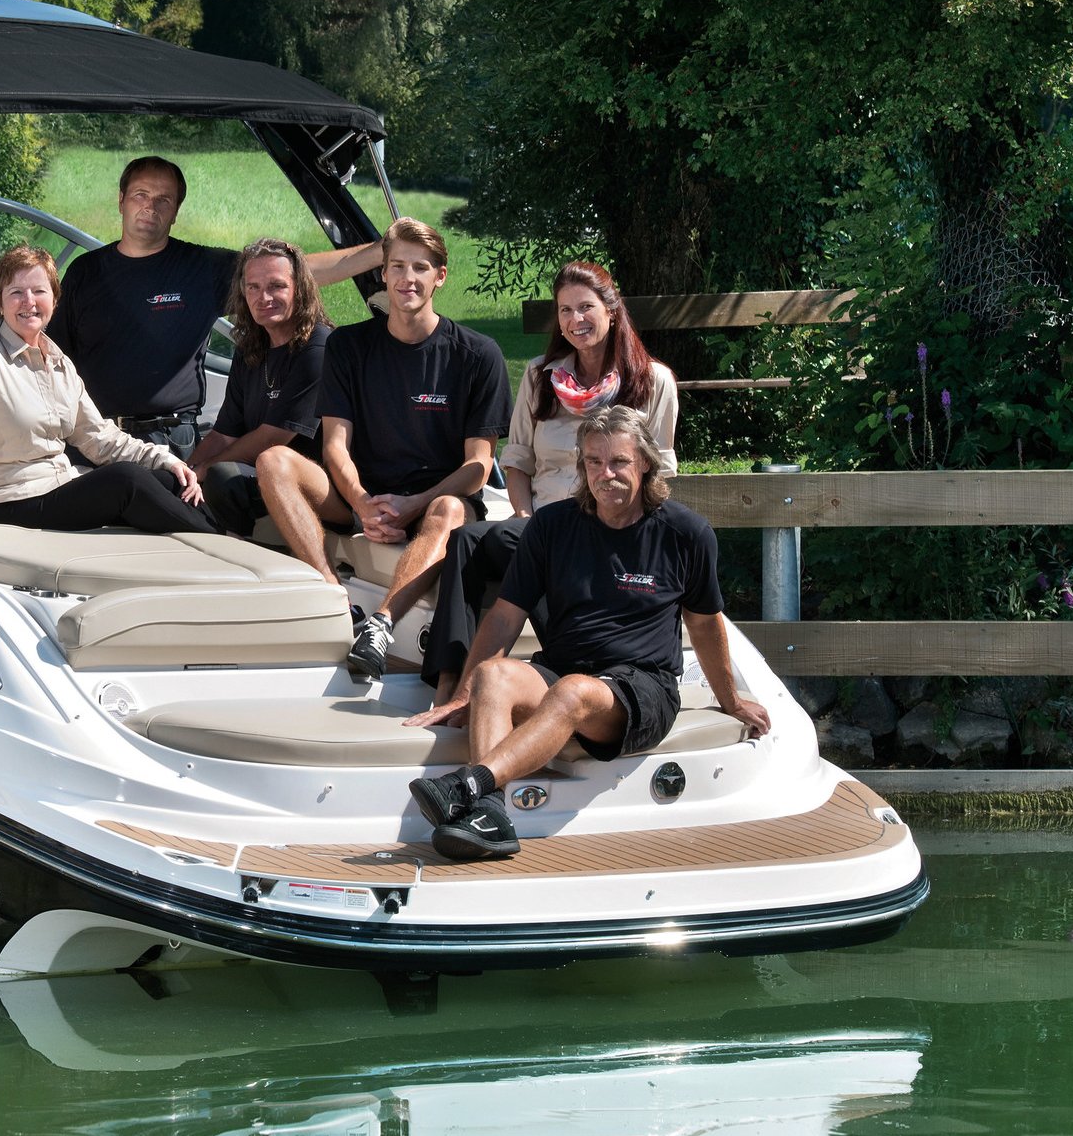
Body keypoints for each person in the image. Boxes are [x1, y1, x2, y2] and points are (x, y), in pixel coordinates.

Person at [404, 403, 770, 861]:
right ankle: (489, 814)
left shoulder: (685, 533)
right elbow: (504, 616)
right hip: (563, 672)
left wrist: (731, 700)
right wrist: (465, 694)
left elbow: (704, 623)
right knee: (494, 675)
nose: (605, 474)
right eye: (594, 462)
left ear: (645, 463)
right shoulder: (551, 525)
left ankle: (467, 785)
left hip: (642, 688)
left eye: (619, 462)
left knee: (574, 691)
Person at [252, 216, 509, 679]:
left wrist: (414, 504)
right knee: (273, 460)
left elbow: (478, 465)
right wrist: (362, 502)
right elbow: (335, 445)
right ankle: (335, 600)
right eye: (398, 267)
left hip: (434, 500)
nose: (408, 278)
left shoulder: (478, 355)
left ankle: (380, 626)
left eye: (420, 268)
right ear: (384, 273)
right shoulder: (348, 345)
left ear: (440, 276)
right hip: (360, 496)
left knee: (451, 509)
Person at [418, 260, 678, 699]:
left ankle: (568, 670)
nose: (576, 320)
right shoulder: (541, 376)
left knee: (543, 559)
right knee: (468, 542)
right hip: (542, 523)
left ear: (612, 309)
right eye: (565, 310)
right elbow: (518, 461)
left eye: (586, 307)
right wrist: (525, 516)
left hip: (611, 528)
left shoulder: (652, 381)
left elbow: (660, 474)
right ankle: (449, 682)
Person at [49, 155, 384, 457]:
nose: (151, 207)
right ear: (121, 200)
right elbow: (52, 356)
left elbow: (292, 272)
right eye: (141, 195)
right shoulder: (85, 271)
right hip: (94, 437)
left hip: (169, 440)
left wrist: (383, 251)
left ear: (176, 211)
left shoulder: (202, 268)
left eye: (164, 199)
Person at [0, 244, 218, 538]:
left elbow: (100, 438)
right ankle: (220, 540)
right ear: (0, 303)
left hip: (60, 485)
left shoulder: (60, 364)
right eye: (16, 292)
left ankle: (220, 538)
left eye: (39, 291)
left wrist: (165, 459)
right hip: (6, 501)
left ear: (55, 300)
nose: (29, 302)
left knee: (170, 480)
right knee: (126, 481)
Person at [192, 238, 331, 537]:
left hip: (313, 484)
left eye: (276, 286)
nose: (263, 297)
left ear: (299, 289)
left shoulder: (319, 347)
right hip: (258, 473)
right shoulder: (250, 349)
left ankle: (235, 553)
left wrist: (206, 468)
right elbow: (223, 434)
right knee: (166, 480)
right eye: (253, 287)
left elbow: (273, 437)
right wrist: (187, 471)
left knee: (221, 476)